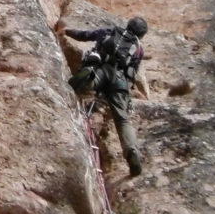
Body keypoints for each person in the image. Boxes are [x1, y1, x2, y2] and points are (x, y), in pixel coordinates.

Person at [59, 17, 149, 177]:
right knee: (123, 120)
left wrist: (66, 31)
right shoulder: (138, 49)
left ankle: (88, 76)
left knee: (87, 82)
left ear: (128, 25)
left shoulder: (111, 32)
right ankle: (132, 151)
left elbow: (86, 35)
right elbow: (133, 72)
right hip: (119, 81)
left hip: (100, 69)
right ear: (142, 35)